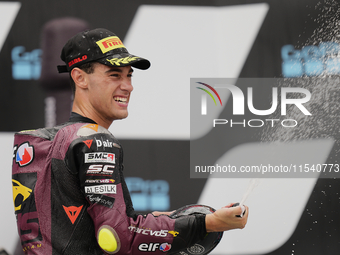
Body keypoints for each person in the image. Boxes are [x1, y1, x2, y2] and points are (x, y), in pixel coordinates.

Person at [12, 28, 248, 255]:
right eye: (114, 75)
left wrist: (164, 220)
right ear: (79, 77)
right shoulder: (95, 139)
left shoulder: (33, 144)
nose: (128, 86)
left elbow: (74, 230)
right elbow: (117, 238)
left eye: (129, 75)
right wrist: (206, 224)